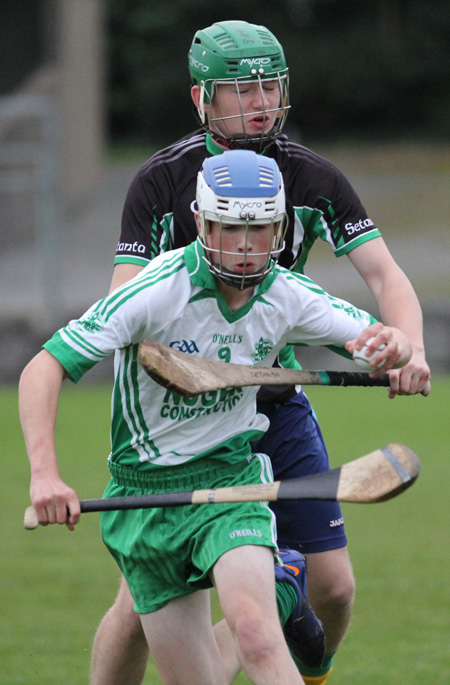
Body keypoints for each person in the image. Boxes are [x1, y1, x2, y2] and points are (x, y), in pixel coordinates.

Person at [91, 20, 430, 685]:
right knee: (137, 603)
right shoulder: (160, 184)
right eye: (241, 91)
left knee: (333, 589)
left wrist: (408, 347)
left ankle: (304, 661)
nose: (261, 103)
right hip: (183, 420)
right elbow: (120, 307)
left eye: (271, 87)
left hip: (275, 401)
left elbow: (388, 278)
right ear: (201, 100)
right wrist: (181, 363)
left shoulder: (313, 178)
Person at [20, 150, 412, 685]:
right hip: (144, 495)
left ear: (279, 229)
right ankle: (284, 586)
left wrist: (396, 352)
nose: (247, 247)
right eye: (231, 229)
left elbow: (372, 342)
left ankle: (273, 591)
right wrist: (45, 474)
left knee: (254, 635)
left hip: (231, 482)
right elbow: (43, 368)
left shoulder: (285, 296)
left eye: (261, 230)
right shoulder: (155, 291)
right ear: (202, 222)